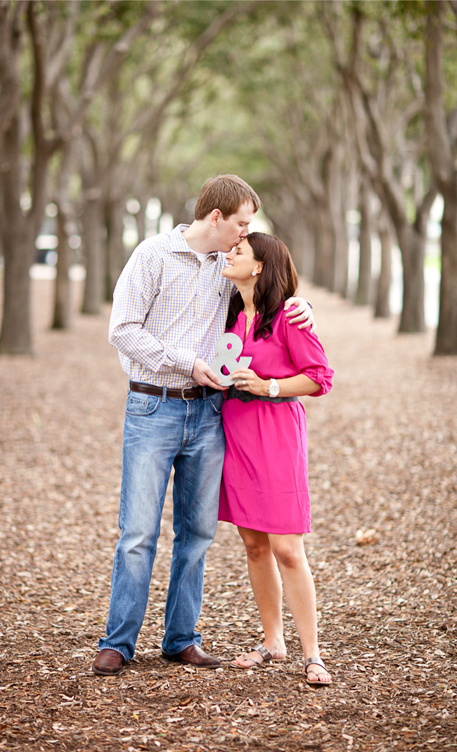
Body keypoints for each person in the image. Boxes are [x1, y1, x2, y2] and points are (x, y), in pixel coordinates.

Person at [93, 175, 316, 677]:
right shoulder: (151, 256)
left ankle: (181, 639)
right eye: (241, 223)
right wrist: (186, 363)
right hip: (153, 408)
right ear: (216, 218)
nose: (246, 233)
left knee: (196, 534)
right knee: (138, 533)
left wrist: (304, 306)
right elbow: (122, 330)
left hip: (212, 414)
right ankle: (118, 642)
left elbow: (270, 298)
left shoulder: (229, 268)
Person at [219, 233, 334, 687]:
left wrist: (267, 385)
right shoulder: (227, 313)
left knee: (287, 547)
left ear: (261, 266)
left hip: (277, 434)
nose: (230, 255)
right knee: (253, 545)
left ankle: (313, 654)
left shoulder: (288, 314)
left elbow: (319, 378)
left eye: (240, 251)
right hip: (234, 434)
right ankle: (273, 642)